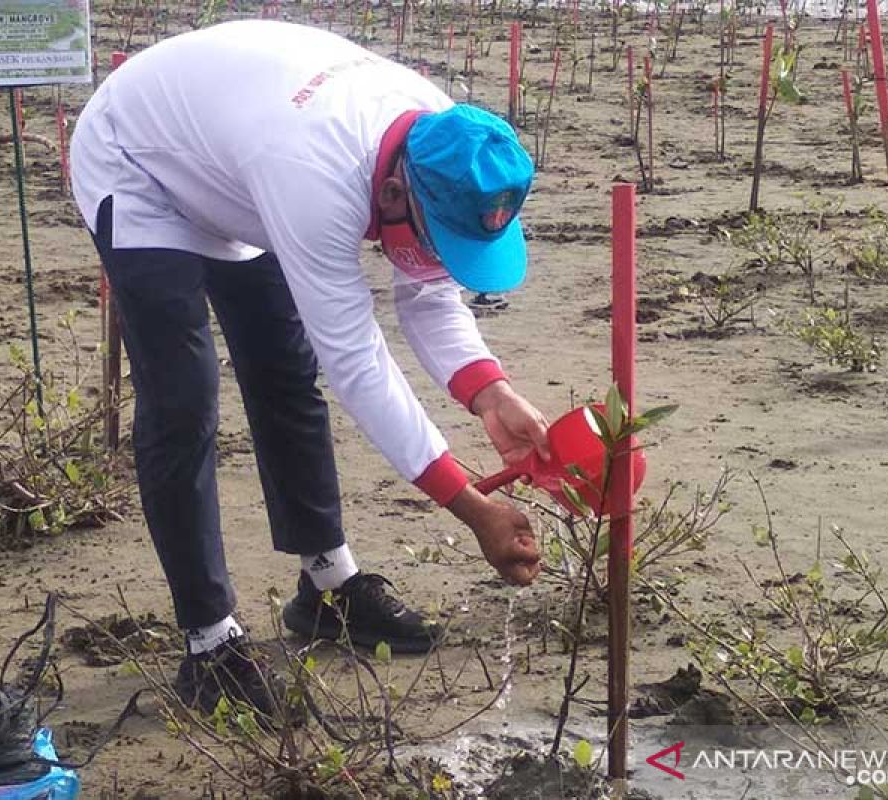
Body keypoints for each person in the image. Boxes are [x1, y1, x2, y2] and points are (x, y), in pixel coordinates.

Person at [70, 19, 548, 718]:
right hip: (137, 158)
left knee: (284, 369)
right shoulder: (315, 176)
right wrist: (469, 504)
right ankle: (210, 643)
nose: (443, 260)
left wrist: (491, 393)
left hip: (235, 155)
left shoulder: (449, 147)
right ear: (390, 194)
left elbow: (430, 292)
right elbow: (356, 358)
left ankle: (327, 588)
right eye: (435, 240)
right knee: (183, 395)